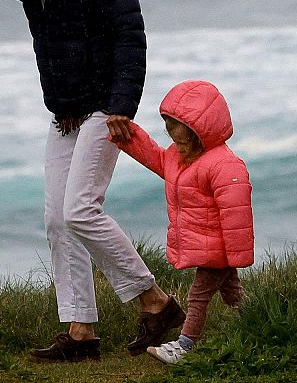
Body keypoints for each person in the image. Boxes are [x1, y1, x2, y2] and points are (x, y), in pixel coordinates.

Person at [24, 0, 183, 363]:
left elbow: (130, 35)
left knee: (79, 209)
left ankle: (155, 301)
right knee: (57, 219)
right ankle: (81, 331)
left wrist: (122, 105)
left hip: (103, 107)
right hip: (65, 111)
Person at [109, 79, 254, 365]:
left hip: (219, 250)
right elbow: (156, 159)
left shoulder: (224, 164)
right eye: (166, 122)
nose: (168, 129)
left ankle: (184, 346)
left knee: (197, 296)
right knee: (233, 294)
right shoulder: (179, 157)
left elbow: (237, 213)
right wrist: (129, 136)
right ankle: (260, 323)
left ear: (198, 127)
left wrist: (236, 256)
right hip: (210, 248)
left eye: (174, 124)